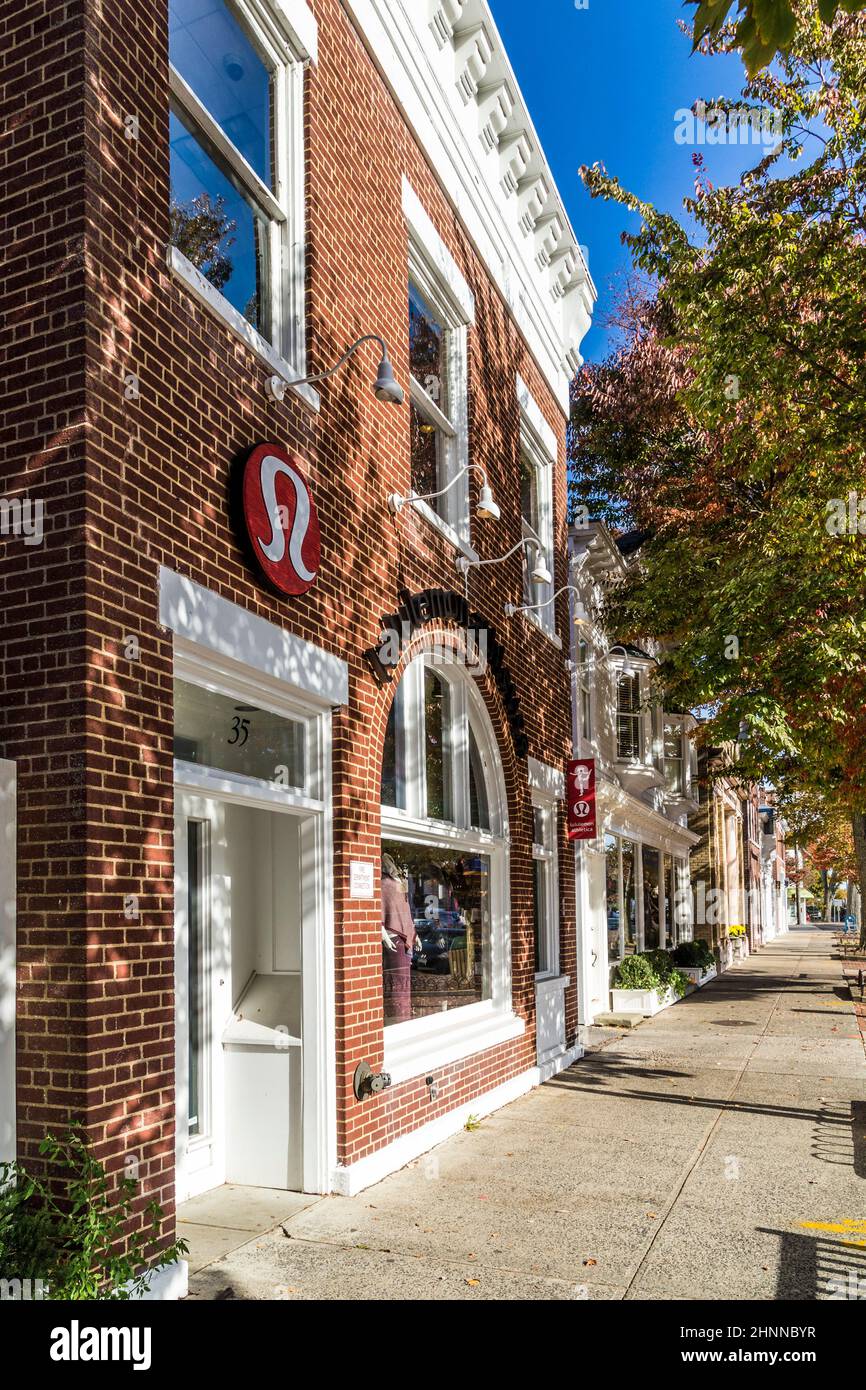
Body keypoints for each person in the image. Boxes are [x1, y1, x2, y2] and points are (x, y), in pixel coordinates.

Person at [381, 852, 417, 1024]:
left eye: (392, 861)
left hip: (403, 939)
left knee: (403, 982)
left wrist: (413, 933)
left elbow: (405, 908)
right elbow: (379, 909)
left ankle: (403, 1017)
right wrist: (382, 934)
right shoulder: (382, 883)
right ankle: (396, 1018)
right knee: (395, 983)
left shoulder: (399, 882)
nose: (391, 864)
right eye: (388, 861)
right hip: (392, 937)